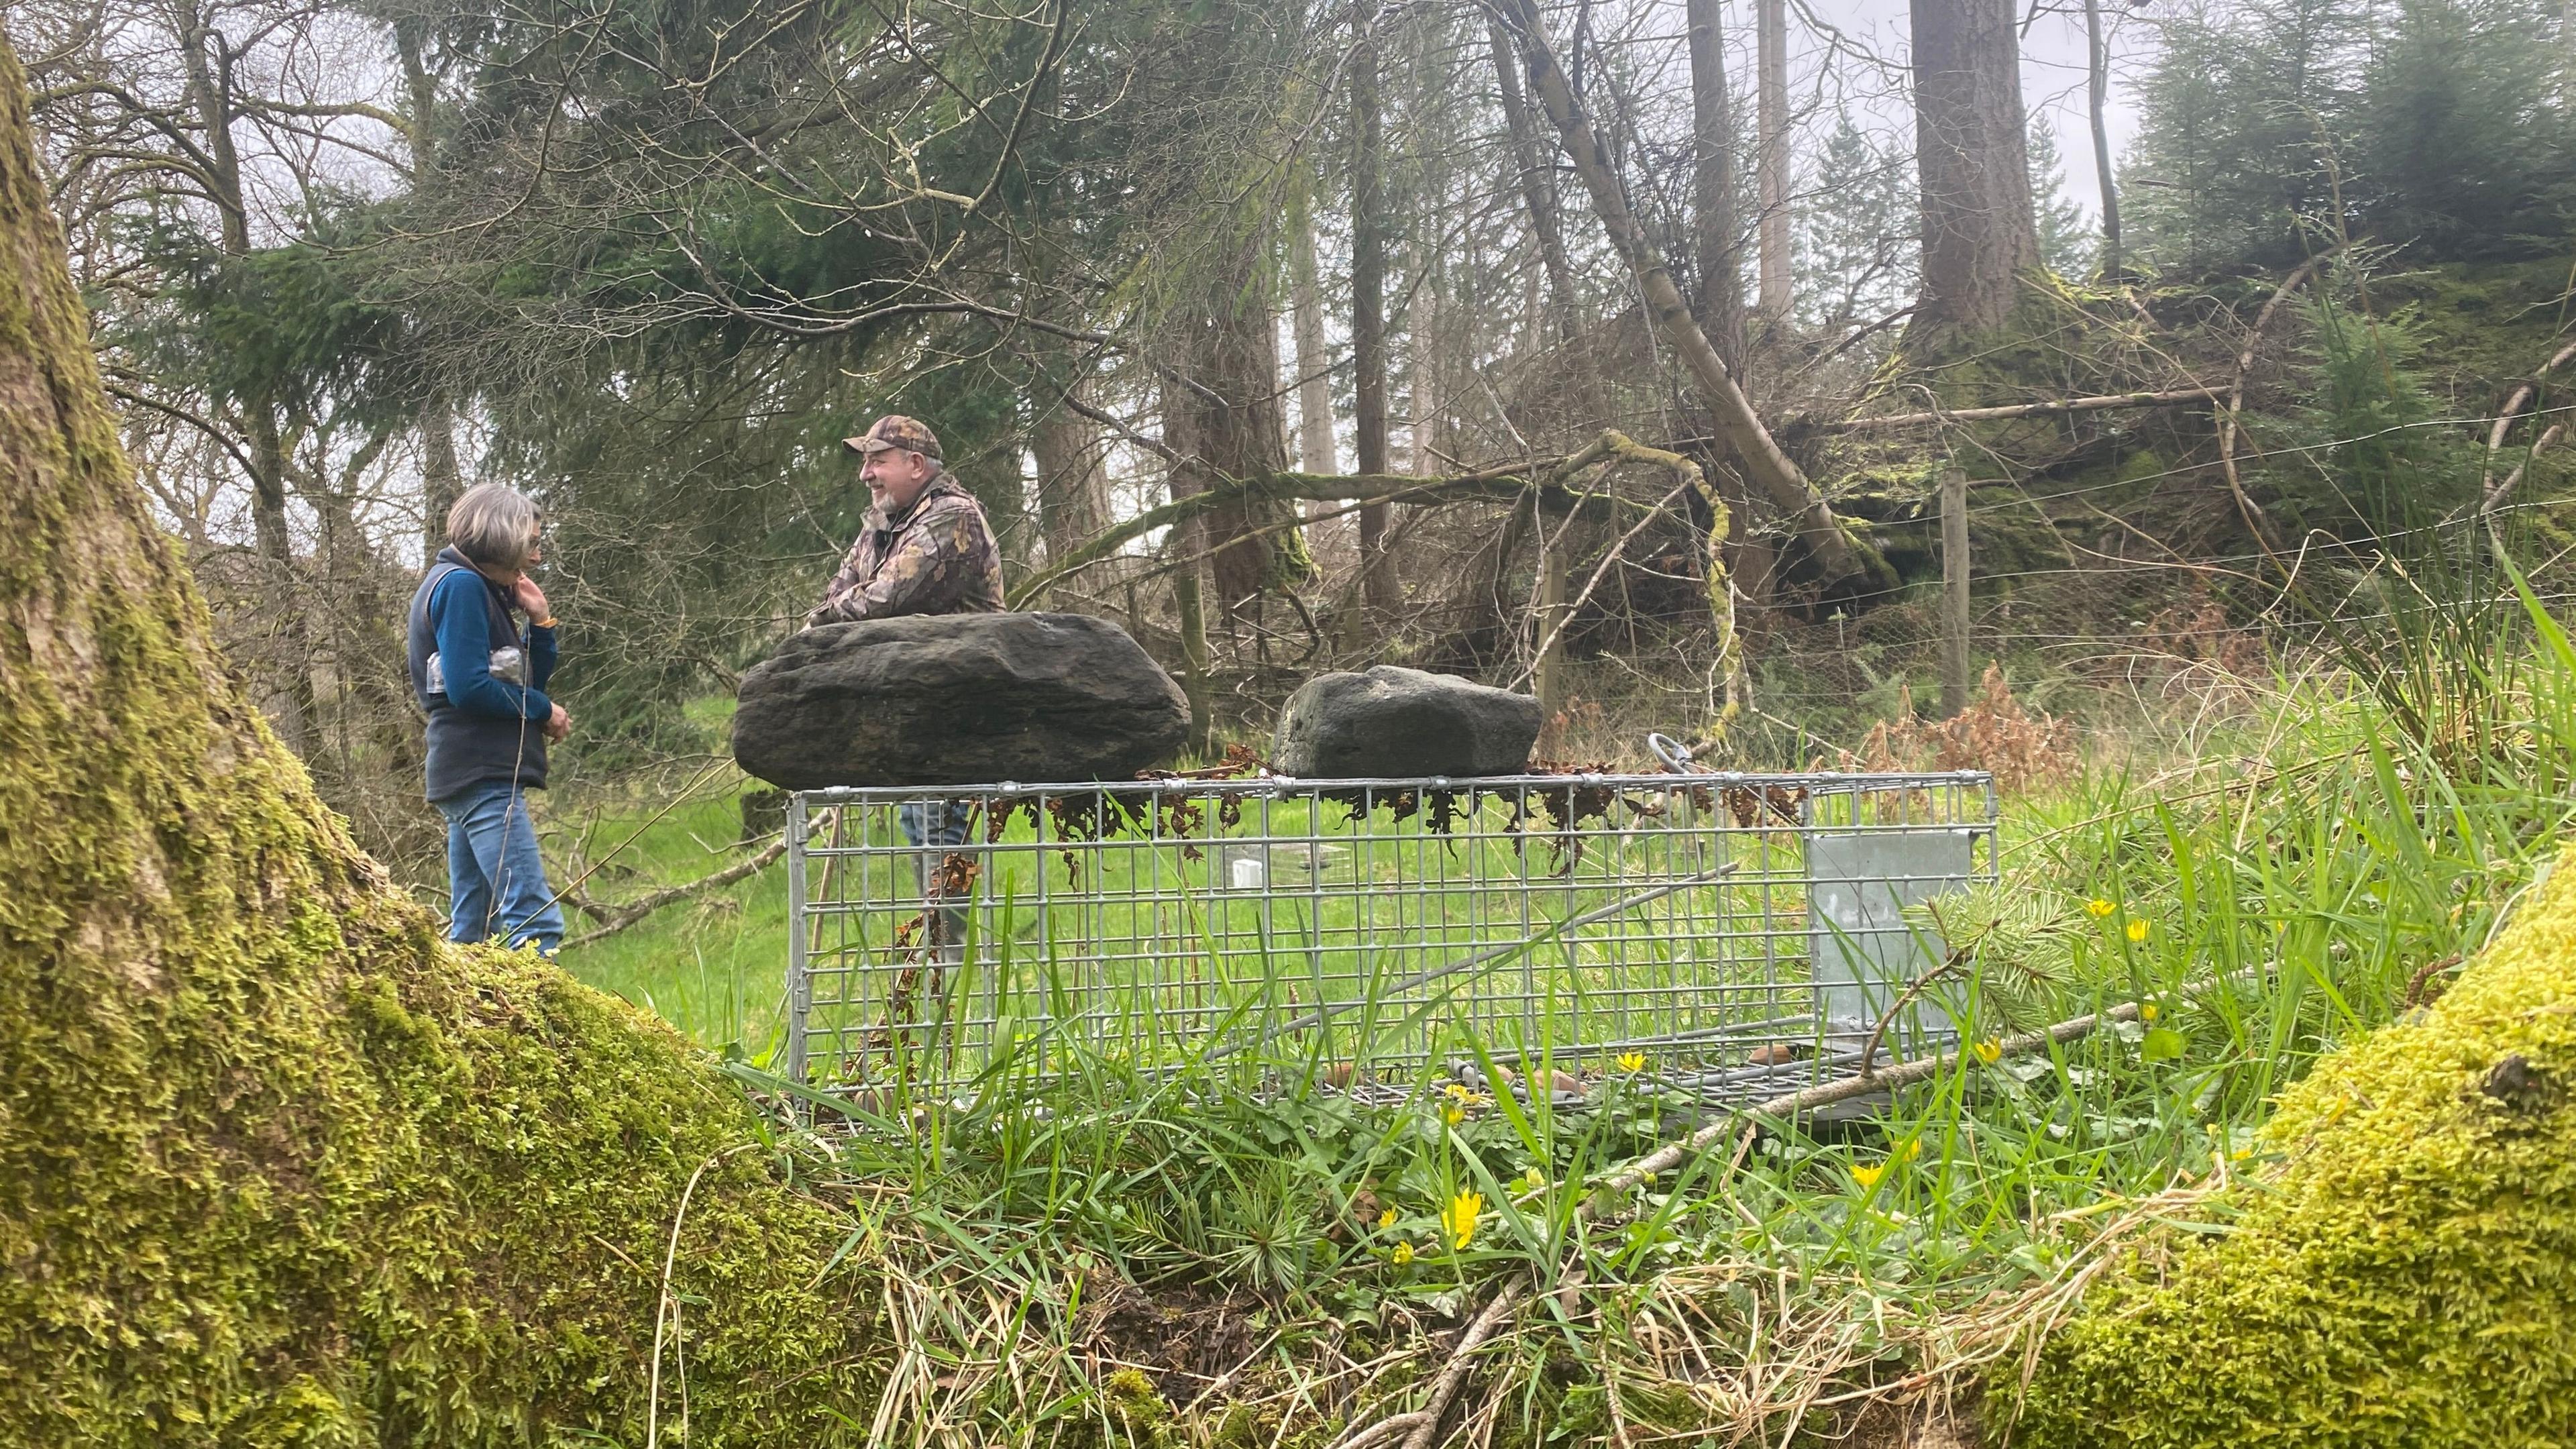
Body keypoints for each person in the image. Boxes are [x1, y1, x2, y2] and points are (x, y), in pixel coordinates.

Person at [808, 415, 1005, 976]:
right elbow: (840, 593)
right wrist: (824, 618)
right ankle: (947, 984)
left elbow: (882, 599)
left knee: (942, 842)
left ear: (915, 465)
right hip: (912, 714)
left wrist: (821, 620)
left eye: (877, 461)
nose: (865, 474)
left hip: (957, 711)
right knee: (921, 830)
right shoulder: (882, 525)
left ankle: (962, 987)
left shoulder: (952, 517)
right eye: (865, 462)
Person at [407, 483, 572, 955]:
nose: (537, 558)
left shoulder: (478, 589)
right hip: (481, 775)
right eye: (531, 544)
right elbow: (469, 688)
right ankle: (548, 1030)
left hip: (470, 774)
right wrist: (545, 711)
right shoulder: (459, 587)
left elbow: (518, 686)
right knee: (534, 923)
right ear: (501, 540)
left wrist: (540, 625)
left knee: (473, 933)